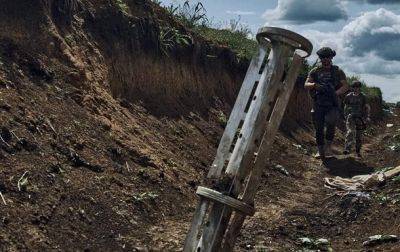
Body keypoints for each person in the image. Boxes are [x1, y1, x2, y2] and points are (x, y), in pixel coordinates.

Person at [305, 47, 349, 159]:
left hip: (332, 103)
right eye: (323, 57)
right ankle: (320, 151)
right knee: (318, 127)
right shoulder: (315, 71)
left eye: (327, 57)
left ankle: (328, 148)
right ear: (320, 58)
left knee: (331, 123)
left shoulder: (337, 71)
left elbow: (345, 86)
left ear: (331, 57)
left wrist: (335, 93)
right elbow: (306, 84)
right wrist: (315, 86)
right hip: (318, 102)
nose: (325, 59)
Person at [343, 81, 371, 158]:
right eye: (354, 87)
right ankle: (347, 149)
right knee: (350, 132)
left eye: (357, 87)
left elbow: (367, 107)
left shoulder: (363, 97)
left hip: (360, 118)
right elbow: (345, 106)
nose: (355, 89)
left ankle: (358, 150)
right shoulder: (348, 96)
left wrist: (367, 117)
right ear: (352, 88)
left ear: (359, 88)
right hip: (351, 117)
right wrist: (345, 115)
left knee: (359, 135)